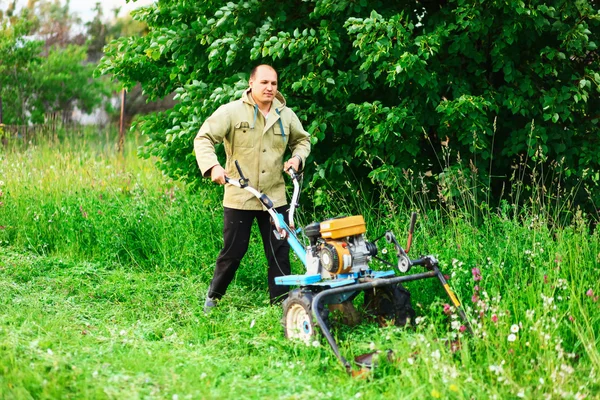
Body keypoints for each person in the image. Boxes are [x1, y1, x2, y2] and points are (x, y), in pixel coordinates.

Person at [194, 64, 311, 312]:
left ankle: (283, 306)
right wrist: (213, 167)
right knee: (233, 252)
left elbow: (302, 140)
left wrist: (297, 159)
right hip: (240, 194)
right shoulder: (232, 112)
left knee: (279, 253)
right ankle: (213, 298)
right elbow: (203, 138)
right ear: (251, 83)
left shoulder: (286, 114)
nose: (270, 88)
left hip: (275, 195)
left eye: (274, 83)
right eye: (264, 82)